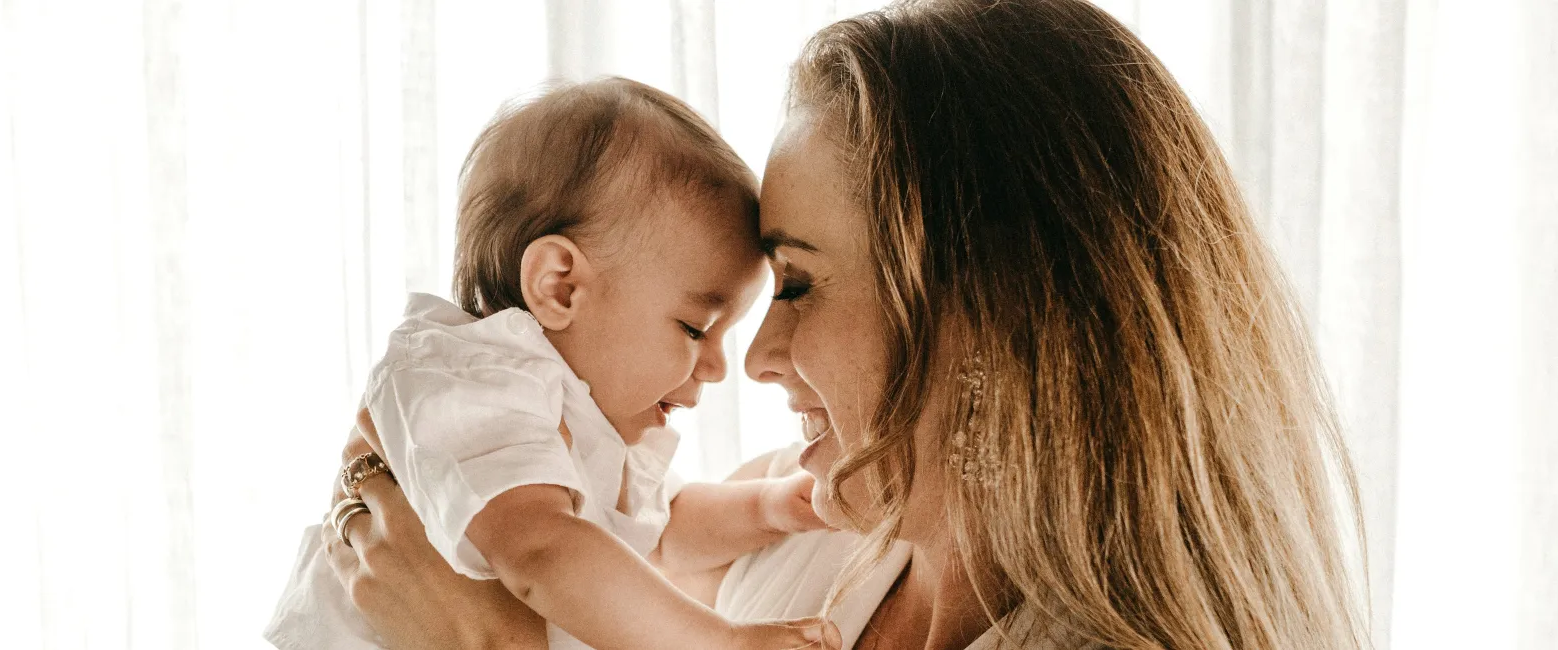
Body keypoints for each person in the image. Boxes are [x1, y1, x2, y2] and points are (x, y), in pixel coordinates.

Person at [321, 1, 1372, 648]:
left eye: (798, 286)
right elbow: (582, 542)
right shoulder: (810, 537)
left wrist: (481, 642)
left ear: (986, 310)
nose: (755, 359)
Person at [266, 77, 835, 650]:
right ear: (560, 287)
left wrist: (769, 507)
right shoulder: (466, 380)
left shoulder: (577, 421)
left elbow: (661, 534)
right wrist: (724, 643)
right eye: (695, 329)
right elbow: (542, 549)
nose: (716, 367)